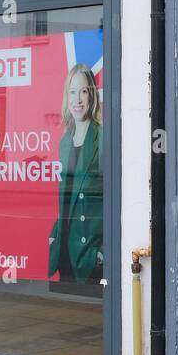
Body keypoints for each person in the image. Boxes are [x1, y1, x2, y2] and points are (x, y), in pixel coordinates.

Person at [48, 63, 103, 285]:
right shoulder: (64, 142)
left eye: (83, 91)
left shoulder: (103, 137)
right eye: (72, 92)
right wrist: (54, 232)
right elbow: (67, 198)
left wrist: (103, 251)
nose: (77, 100)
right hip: (65, 251)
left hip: (89, 253)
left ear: (92, 95)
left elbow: (111, 197)